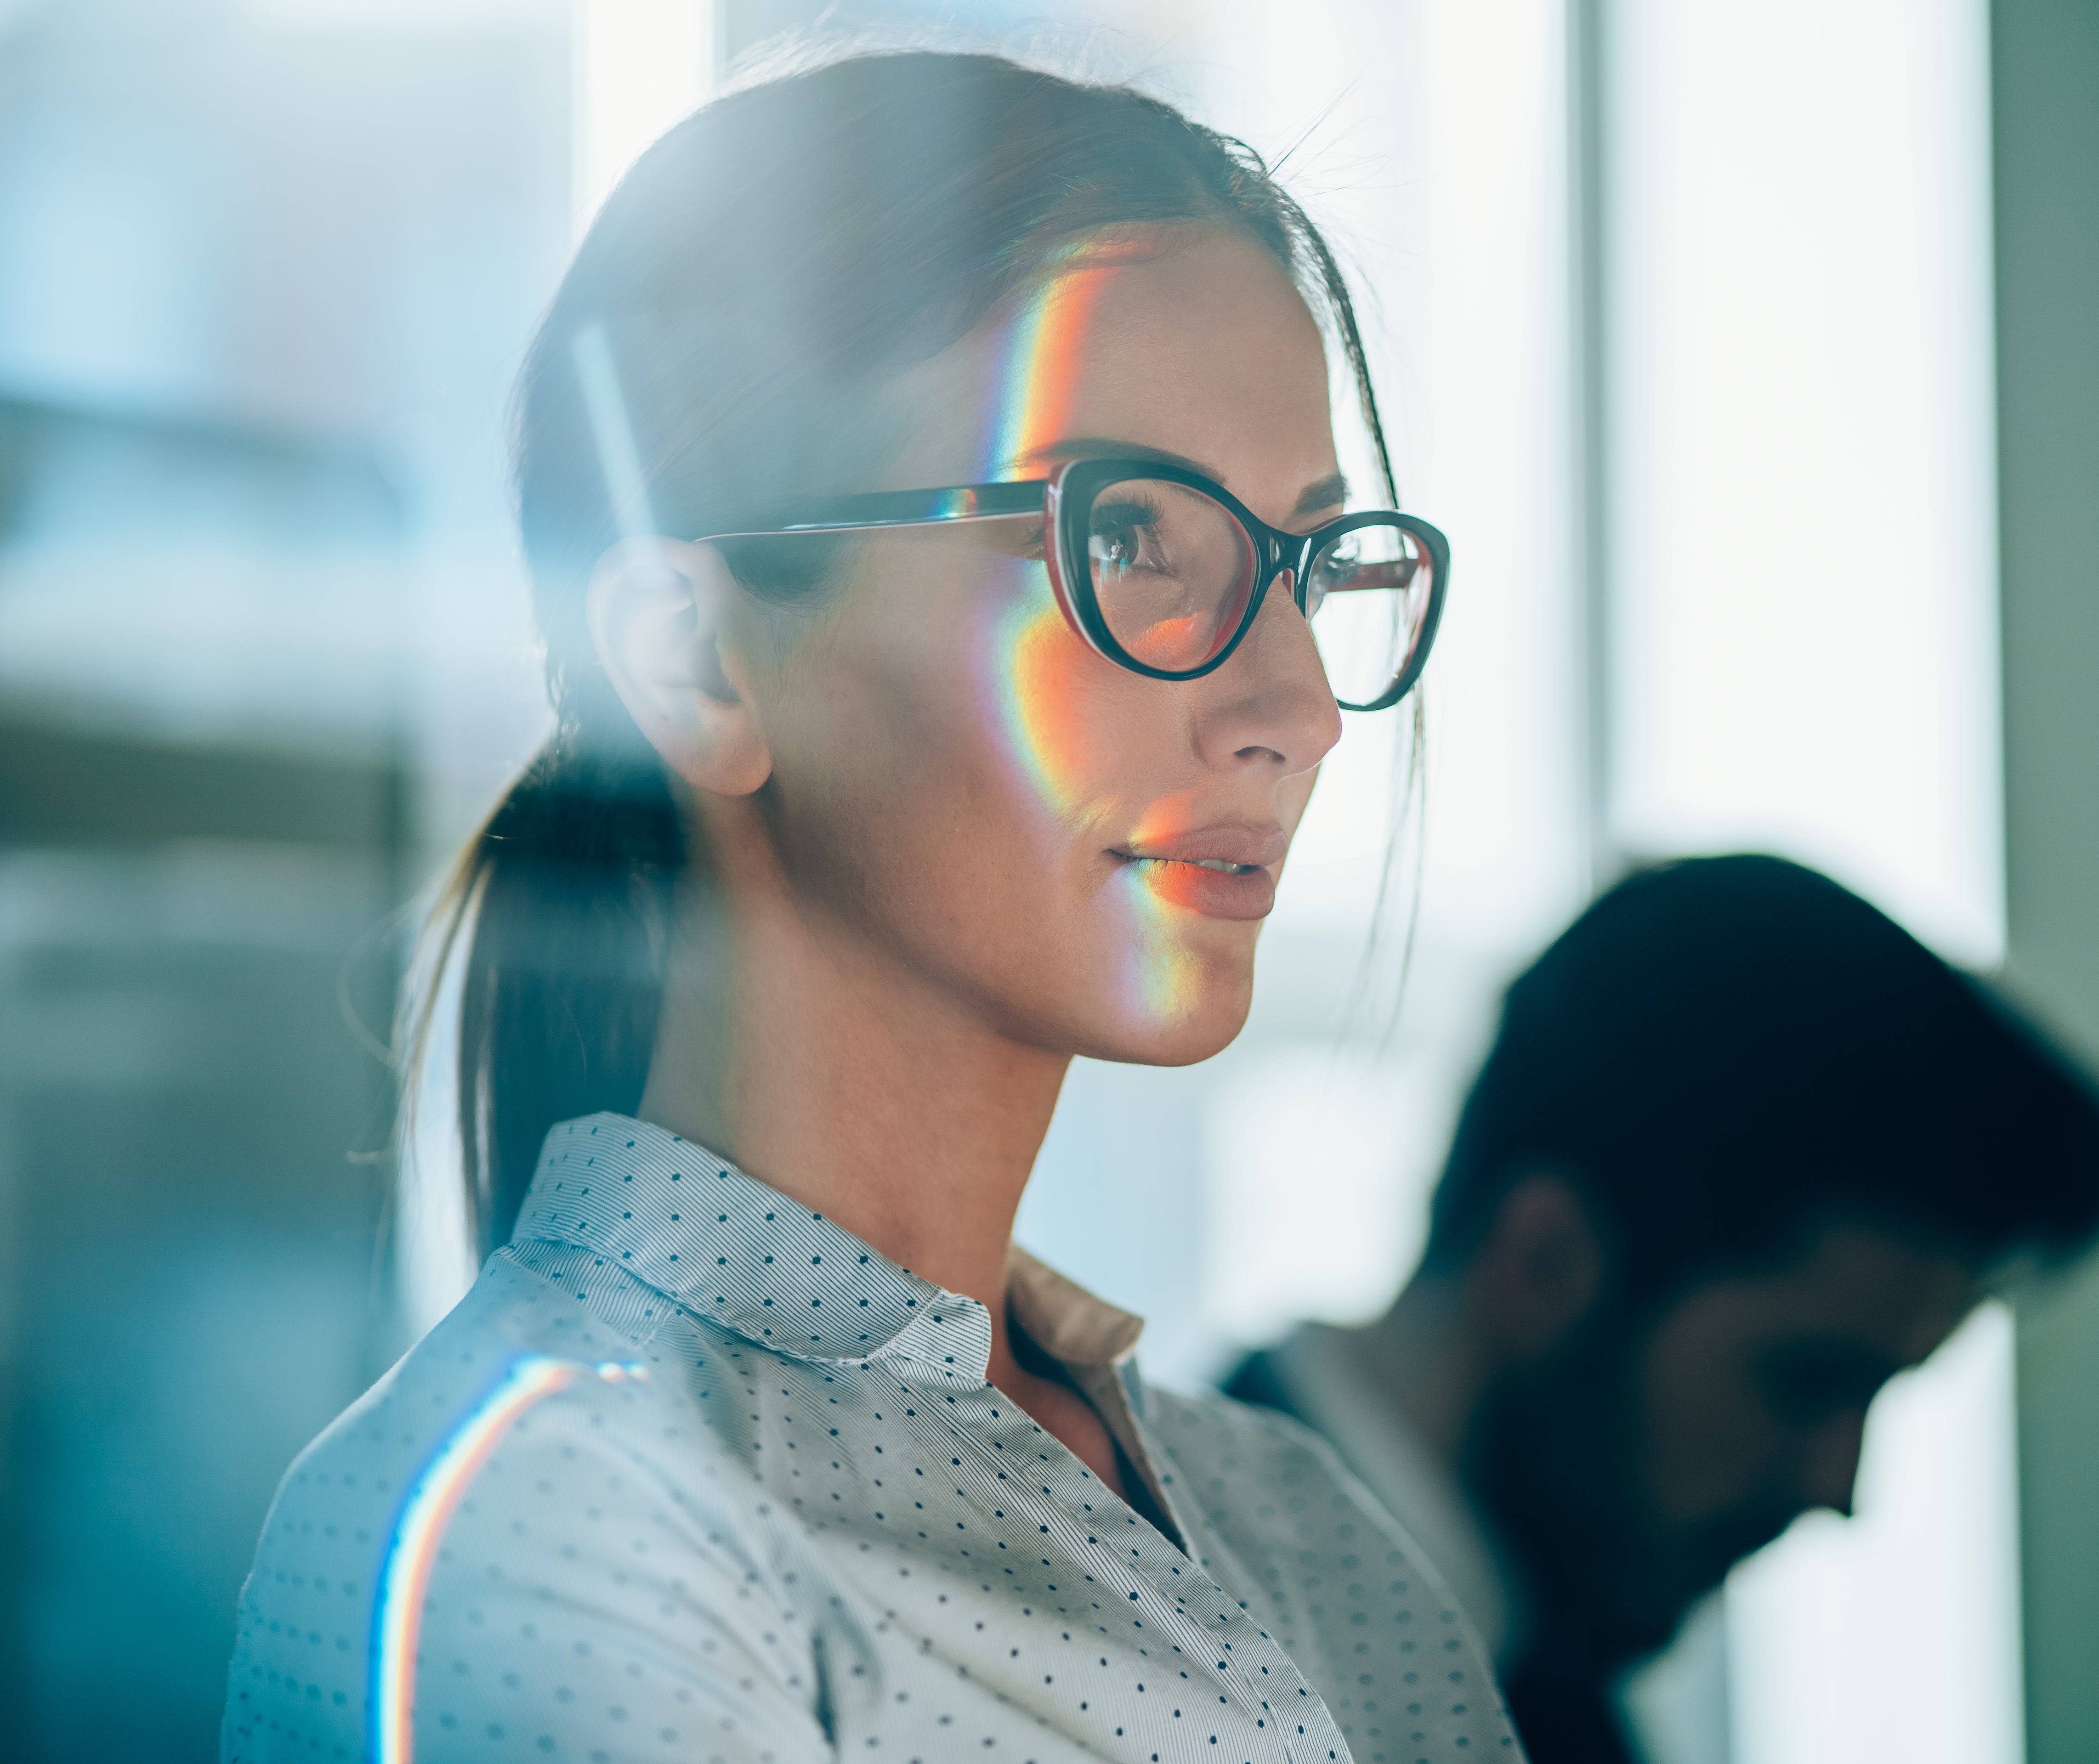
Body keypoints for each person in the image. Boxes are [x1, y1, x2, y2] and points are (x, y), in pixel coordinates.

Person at [221, 49, 1501, 1764]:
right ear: (695, 657)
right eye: (1125, 540)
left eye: (1312, 562)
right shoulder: (549, 1527)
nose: (1297, 705)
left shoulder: (1311, 1533)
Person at [1224, 854, 2099, 1763]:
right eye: (1807, 1381)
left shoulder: (1515, 1666)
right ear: (1543, 1265)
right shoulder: (1163, 1652)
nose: (1837, 1487)